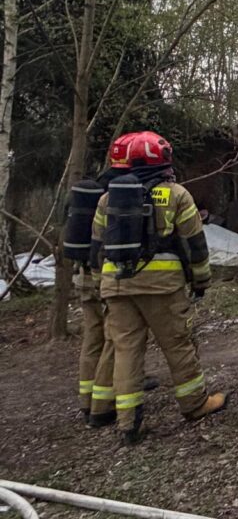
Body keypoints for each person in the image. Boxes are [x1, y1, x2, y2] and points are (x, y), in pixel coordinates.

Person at [93, 130, 226, 444]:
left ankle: (127, 422)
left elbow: (96, 248)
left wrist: (109, 280)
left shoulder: (107, 197)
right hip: (162, 287)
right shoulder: (177, 194)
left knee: (125, 350)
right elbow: (195, 244)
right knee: (178, 345)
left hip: (117, 284)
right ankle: (195, 404)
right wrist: (202, 280)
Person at [66, 132, 135, 424]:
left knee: (93, 338)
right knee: (113, 340)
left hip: (82, 274)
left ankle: (87, 399)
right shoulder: (123, 192)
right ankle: (102, 407)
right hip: (105, 277)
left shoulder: (93, 186)